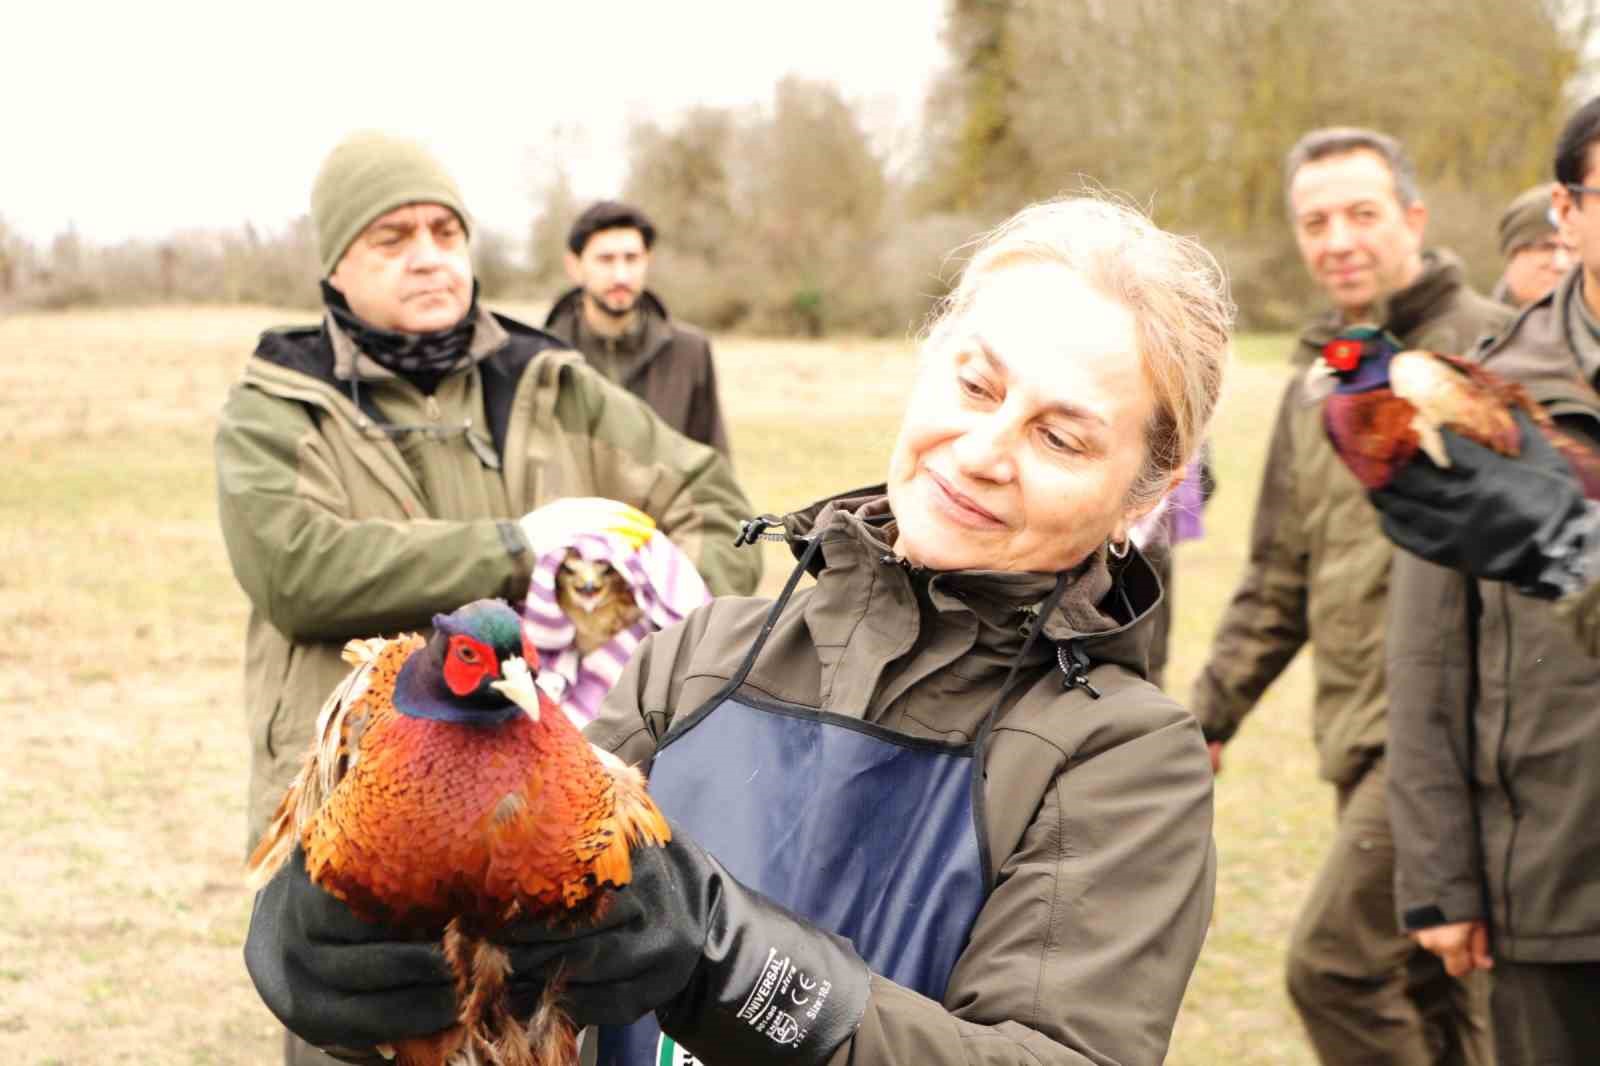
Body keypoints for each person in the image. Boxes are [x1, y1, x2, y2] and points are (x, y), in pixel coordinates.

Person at [243, 193, 1230, 1066]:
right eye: (975, 385)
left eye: (1060, 437)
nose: (982, 452)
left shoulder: (1121, 760)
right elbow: (511, 958)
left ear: (1145, 496)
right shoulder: (697, 659)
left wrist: (728, 967)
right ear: (928, 363)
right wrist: (358, 952)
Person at [216, 131, 759, 1066]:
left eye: (445, 232)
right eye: (392, 238)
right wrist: (515, 549)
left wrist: (651, 621)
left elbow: (716, 509)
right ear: (336, 265)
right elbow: (292, 568)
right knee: (366, 1039)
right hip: (367, 852)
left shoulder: (553, 384)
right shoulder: (282, 404)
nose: (429, 257)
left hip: (549, 836)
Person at [1191, 126, 1507, 1066]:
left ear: (1414, 217)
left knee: (1334, 968)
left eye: (1362, 214)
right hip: (1360, 734)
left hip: (1463, 744)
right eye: (1315, 222)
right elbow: (1277, 577)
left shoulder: (1497, 351)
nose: (1338, 241)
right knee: (1435, 995)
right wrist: (1208, 715)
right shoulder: (1315, 384)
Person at [1367, 96, 1600, 1063]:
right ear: (1567, 211)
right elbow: (1425, 656)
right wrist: (1439, 878)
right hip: (1551, 874)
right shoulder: (1480, 397)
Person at [544, 201, 730, 455]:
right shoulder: (543, 357)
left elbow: (714, 464)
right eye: (606, 260)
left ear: (647, 261)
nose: (621, 276)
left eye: (631, 259)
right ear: (575, 266)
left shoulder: (690, 352)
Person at [1491, 182, 1575, 308]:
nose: (1562, 263)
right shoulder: (1476, 319)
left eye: (1572, 249)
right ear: (1513, 254)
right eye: (1547, 247)